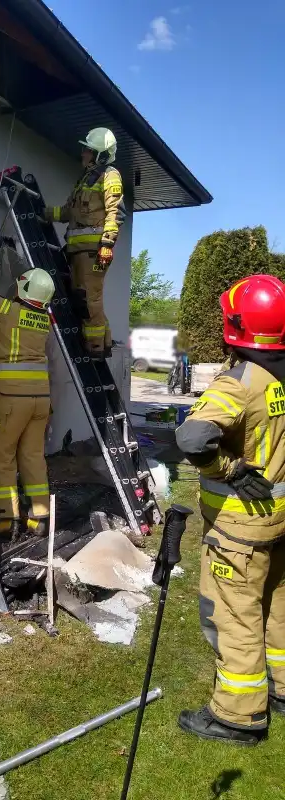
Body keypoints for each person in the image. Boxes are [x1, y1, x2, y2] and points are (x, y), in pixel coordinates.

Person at [175, 274, 285, 745]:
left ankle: (237, 716)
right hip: (279, 521)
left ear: (235, 325)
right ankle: (280, 690)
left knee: (235, 615)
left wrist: (230, 469)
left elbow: (192, 437)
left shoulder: (240, 382)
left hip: (240, 530)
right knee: (276, 607)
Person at [0, 234, 56, 540]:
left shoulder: (7, 310)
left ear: (23, 289)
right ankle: (39, 517)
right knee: (32, 456)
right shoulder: (45, 319)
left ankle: (6, 520)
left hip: (10, 401)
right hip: (40, 401)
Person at [43, 127, 125, 358]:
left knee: (89, 301)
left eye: (88, 150)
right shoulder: (85, 180)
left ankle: (95, 349)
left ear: (100, 154)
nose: (83, 153)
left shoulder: (110, 176)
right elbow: (68, 212)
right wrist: (44, 213)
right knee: (84, 299)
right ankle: (102, 343)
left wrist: (107, 245)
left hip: (94, 251)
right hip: (78, 251)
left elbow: (116, 212)